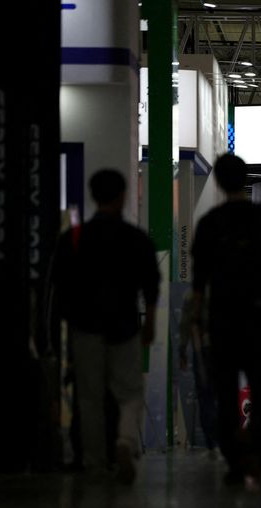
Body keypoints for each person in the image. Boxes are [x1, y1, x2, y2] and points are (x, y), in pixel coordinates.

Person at [191, 153, 261, 485]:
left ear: (220, 183)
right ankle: (260, 448)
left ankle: (234, 461)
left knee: (225, 392)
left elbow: (199, 282)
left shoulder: (210, 223)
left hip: (223, 318)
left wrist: (196, 321)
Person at [51, 169, 160, 484]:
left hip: (84, 327)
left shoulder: (73, 238)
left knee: (89, 397)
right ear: (123, 195)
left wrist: (68, 327)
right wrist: (150, 322)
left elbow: (61, 287)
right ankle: (125, 441)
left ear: (93, 195)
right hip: (123, 326)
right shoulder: (135, 238)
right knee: (129, 393)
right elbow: (151, 285)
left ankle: (95, 462)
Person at [178, 289, 218, 458]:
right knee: (217, 394)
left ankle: (212, 442)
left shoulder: (192, 295)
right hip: (219, 348)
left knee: (205, 395)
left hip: (201, 348)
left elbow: (185, 323)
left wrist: (182, 349)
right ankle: (219, 441)